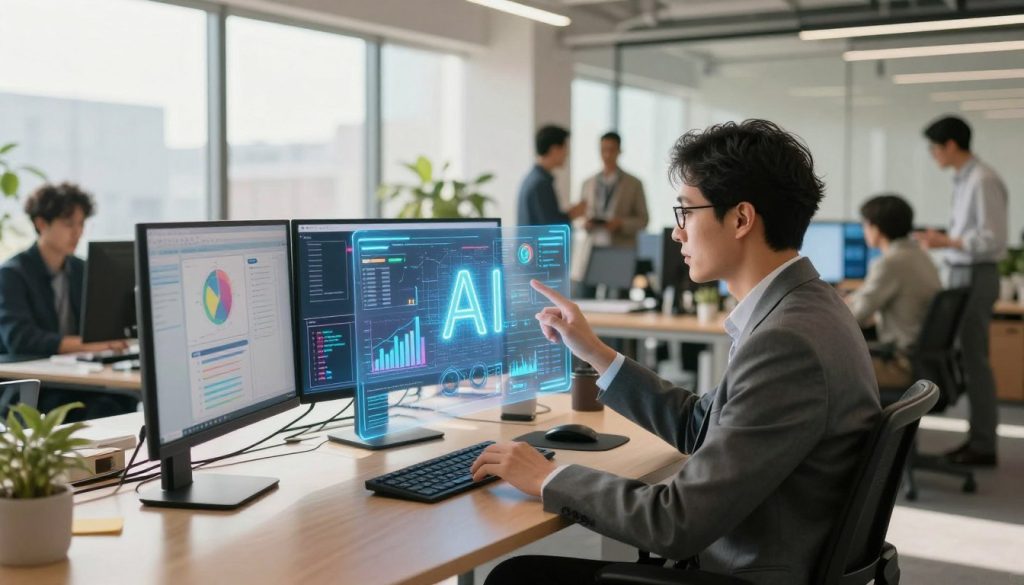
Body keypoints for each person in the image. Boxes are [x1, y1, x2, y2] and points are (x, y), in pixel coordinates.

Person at [473, 120, 881, 585]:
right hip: (767, 552)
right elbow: (699, 426)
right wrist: (594, 350)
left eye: (686, 212)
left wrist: (548, 476)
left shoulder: (787, 343)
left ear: (741, 219)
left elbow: (675, 522)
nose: (676, 233)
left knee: (517, 577)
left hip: (744, 572)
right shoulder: (809, 307)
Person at [916, 115, 1007, 467]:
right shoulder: (965, 179)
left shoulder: (983, 180)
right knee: (965, 361)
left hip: (975, 274)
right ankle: (977, 440)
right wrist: (944, 239)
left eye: (934, 148)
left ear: (951, 145)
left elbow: (991, 240)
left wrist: (946, 241)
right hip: (961, 273)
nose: (933, 155)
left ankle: (983, 445)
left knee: (975, 362)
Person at [0, 183, 131, 419]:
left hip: (79, 377)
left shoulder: (82, 269)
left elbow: (98, 325)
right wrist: (87, 344)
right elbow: (20, 339)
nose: (78, 232)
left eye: (81, 224)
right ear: (41, 224)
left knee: (122, 401)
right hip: (36, 385)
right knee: (101, 409)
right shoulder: (12, 274)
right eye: (68, 224)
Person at [847, 194, 942, 389]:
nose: (864, 230)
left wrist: (835, 303)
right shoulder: (921, 256)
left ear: (876, 228)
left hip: (900, 365)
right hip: (923, 363)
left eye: (865, 225)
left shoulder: (890, 263)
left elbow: (855, 316)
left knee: (825, 368)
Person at [574, 131, 649, 284]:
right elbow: (578, 217)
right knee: (584, 295)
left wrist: (620, 224)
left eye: (611, 150)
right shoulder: (587, 183)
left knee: (618, 297)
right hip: (591, 249)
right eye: (603, 150)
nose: (607, 154)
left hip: (620, 249)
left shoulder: (634, 183)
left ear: (619, 151)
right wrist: (584, 223)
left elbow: (644, 220)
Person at [518, 125, 587, 226]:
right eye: (565, 148)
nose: (567, 153)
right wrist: (573, 214)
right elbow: (549, 227)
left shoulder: (532, 178)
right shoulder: (541, 183)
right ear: (555, 149)